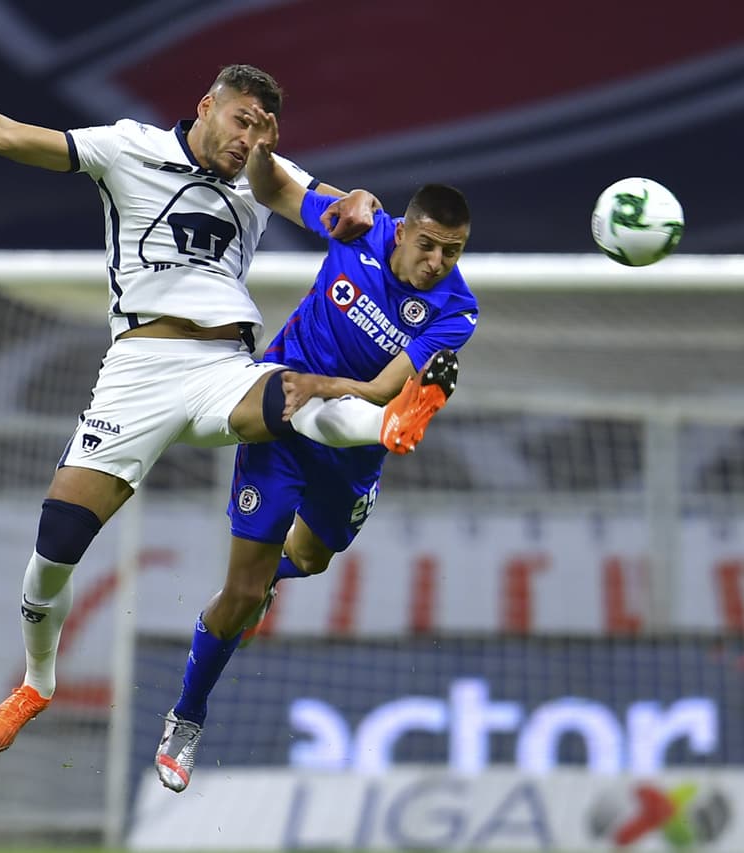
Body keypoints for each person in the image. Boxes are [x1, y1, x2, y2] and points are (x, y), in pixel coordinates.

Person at [0, 57, 457, 757]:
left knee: (296, 395)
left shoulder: (262, 176)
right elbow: (5, 135)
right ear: (206, 106)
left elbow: (344, 212)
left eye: (262, 129)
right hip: (137, 373)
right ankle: (36, 682)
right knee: (54, 550)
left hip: (222, 367)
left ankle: (393, 422)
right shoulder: (127, 148)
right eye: (241, 121)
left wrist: (359, 199)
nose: (249, 139)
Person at [154, 110, 477, 792]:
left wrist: (331, 387)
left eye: (452, 252)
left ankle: (268, 574)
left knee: (309, 557)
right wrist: (263, 149)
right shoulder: (359, 225)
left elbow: (386, 386)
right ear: (404, 229)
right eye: (428, 246)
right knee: (242, 591)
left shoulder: (456, 309)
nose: (437, 263)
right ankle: (187, 716)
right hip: (279, 411)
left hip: (350, 436)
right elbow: (274, 188)